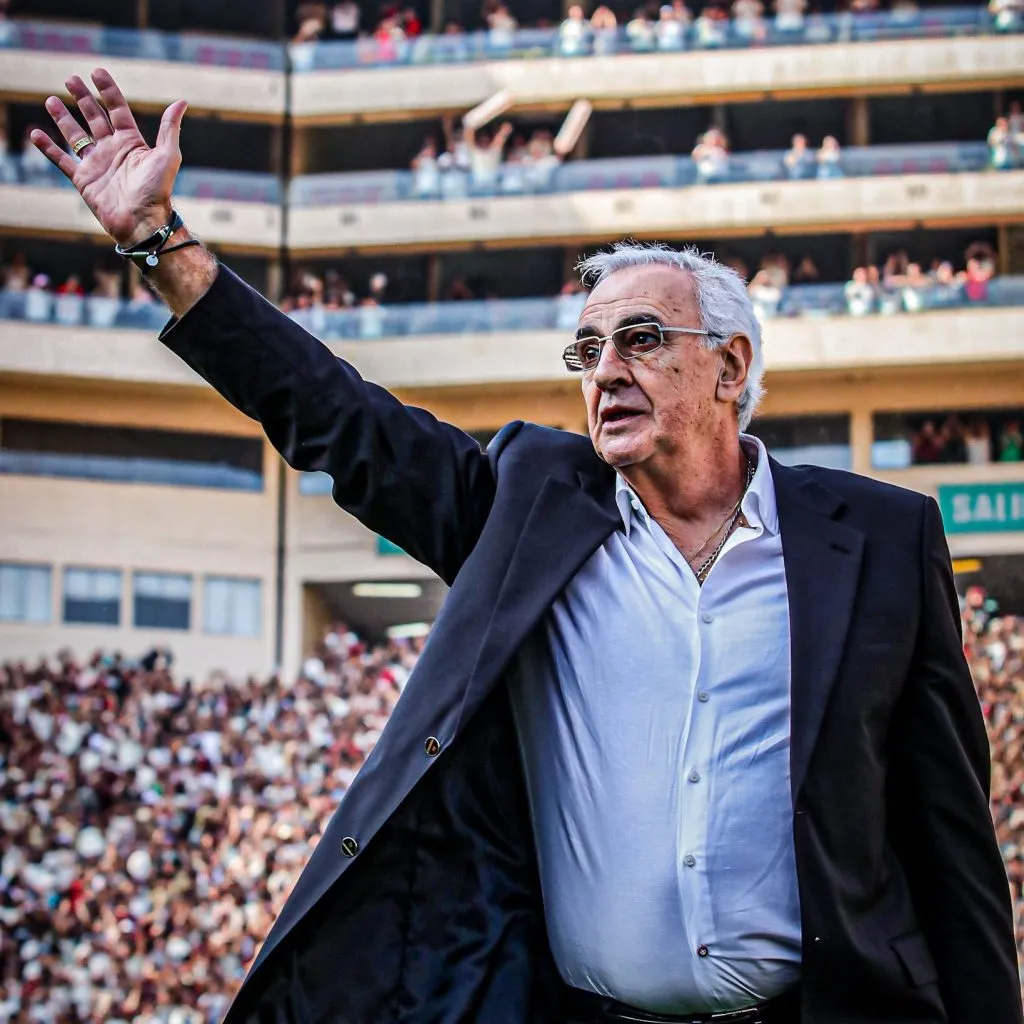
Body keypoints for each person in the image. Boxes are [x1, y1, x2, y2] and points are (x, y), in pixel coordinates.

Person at [32, 68, 1023, 1024]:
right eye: (587, 351)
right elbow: (339, 417)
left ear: (730, 366)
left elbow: (951, 845)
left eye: (640, 339)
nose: (604, 372)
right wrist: (163, 245)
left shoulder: (884, 539)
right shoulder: (530, 504)